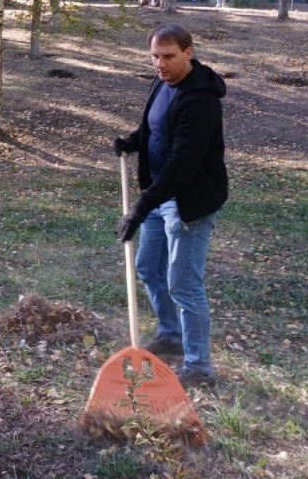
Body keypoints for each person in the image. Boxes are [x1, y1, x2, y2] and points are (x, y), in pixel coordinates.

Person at [113, 23, 227, 389]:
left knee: (184, 284)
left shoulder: (201, 99)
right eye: (155, 56)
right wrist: (133, 141)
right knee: (148, 265)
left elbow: (183, 163)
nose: (160, 64)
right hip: (160, 196)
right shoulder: (161, 83)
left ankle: (198, 366)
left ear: (189, 53)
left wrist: (139, 208)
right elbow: (155, 128)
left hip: (188, 202)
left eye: (169, 56)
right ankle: (171, 334)